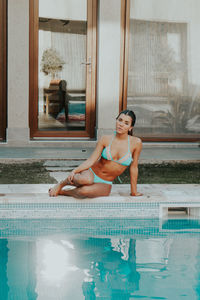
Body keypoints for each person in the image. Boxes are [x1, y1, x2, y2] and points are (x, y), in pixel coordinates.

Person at [49, 110, 143, 198]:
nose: (121, 124)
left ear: (130, 128)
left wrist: (133, 191)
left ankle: (63, 192)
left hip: (106, 182)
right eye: (120, 120)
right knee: (85, 180)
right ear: (116, 120)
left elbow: (134, 167)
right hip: (91, 173)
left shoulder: (136, 143)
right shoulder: (106, 139)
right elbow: (91, 160)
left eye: (126, 123)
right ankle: (62, 183)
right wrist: (75, 170)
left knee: (84, 191)